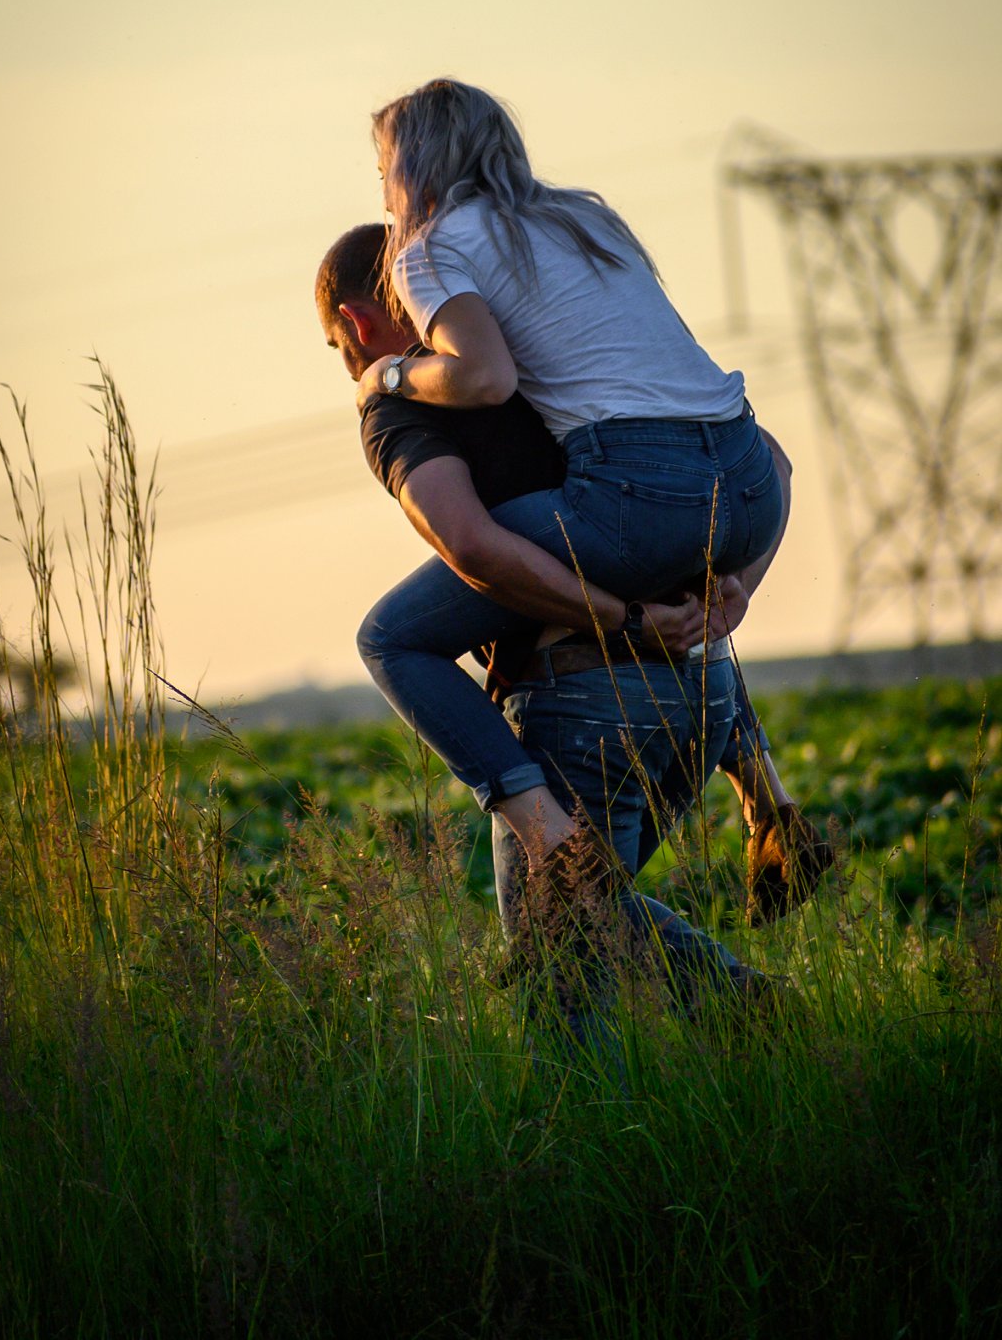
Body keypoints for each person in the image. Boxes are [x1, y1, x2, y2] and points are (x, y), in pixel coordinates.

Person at [315, 225, 831, 995]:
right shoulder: (549, 354)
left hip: (586, 700)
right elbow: (772, 463)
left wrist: (616, 620)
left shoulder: (396, 402)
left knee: (560, 981)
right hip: (706, 693)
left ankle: (553, 838)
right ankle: (746, 982)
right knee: (593, 909)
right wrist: (741, 586)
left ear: (356, 325)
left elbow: (473, 547)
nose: (349, 364)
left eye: (338, 346)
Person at [353, 79, 791, 897]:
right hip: (748, 481)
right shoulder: (586, 218)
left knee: (394, 635)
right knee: (599, 924)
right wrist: (738, 586)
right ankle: (767, 791)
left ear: (413, 167)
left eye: (382, 170)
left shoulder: (428, 246)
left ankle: (541, 825)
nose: (382, 193)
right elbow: (702, 401)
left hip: (636, 490)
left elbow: (482, 377)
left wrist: (391, 372)